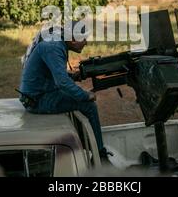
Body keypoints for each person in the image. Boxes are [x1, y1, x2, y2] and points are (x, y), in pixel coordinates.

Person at [18, 21, 110, 160]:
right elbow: (62, 83)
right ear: (73, 40)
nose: (86, 43)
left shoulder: (56, 42)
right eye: (84, 39)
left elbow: (55, 73)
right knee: (89, 105)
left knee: (76, 97)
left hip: (42, 92)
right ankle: (100, 155)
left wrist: (72, 76)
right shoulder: (54, 47)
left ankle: (87, 146)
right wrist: (85, 95)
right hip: (38, 99)